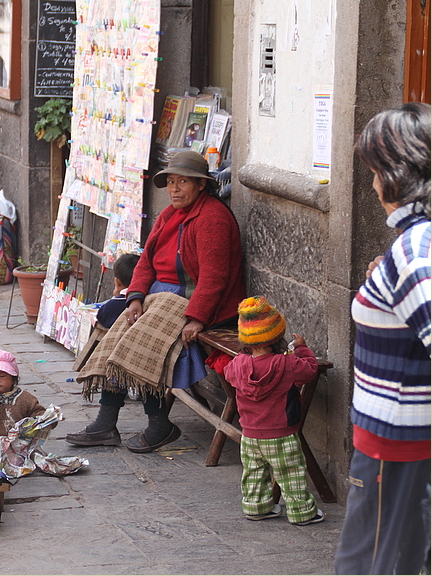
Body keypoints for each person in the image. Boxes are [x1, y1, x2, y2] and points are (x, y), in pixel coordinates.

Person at [66, 150, 245, 451]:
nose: (174, 189)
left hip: (193, 298)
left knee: (143, 341)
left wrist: (198, 317)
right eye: (171, 182)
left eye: (183, 182)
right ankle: (105, 422)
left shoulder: (213, 218)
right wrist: (135, 297)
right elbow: (146, 262)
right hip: (160, 294)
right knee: (119, 331)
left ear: (201, 185)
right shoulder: (169, 215)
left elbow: (214, 278)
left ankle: (160, 424)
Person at [334, 102, 431, 575]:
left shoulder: (416, 251)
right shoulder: (414, 246)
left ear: (396, 175)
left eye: (374, 171)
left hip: (398, 441)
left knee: (370, 565)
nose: (371, 184)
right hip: (396, 436)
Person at [223, 296, 323, 525]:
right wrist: (302, 349)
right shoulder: (287, 364)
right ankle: (301, 512)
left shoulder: (238, 364)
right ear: (278, 337)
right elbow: (310, 371)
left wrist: (243, 359)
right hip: (282, 433)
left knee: (254, 473)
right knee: (290, 474)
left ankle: (256, 508)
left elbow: (229, 373)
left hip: (249, 433)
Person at [0, 349, 47, 442]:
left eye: (2, 376)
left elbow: (37, 411)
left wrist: (48, 419)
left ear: (13, 379)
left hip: (17, 439)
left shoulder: (25, 397)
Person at [95, 253, 140, 330]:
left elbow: (102, 317)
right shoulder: (148, 297)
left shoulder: (118, 302)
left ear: (117, 282)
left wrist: (115, 296)